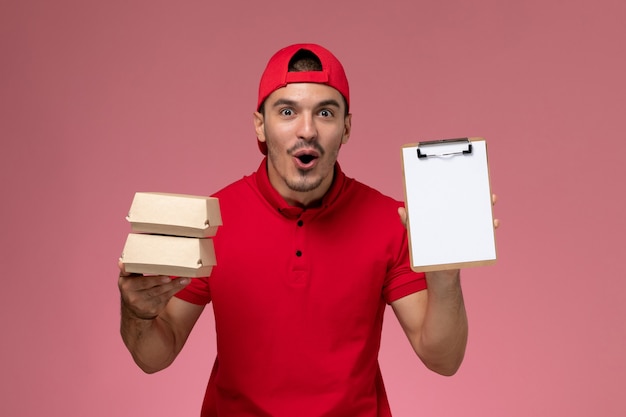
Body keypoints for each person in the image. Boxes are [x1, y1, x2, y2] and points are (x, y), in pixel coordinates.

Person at [119, 43, 494, 416]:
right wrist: (137, 313)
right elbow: (155, 356)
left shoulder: (388, 219)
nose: (308, 130)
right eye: (287, 111)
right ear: (260, 126)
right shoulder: (213, 219)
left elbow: (442, 359)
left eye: (326, 113)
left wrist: (445, 275)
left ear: (346, 128)